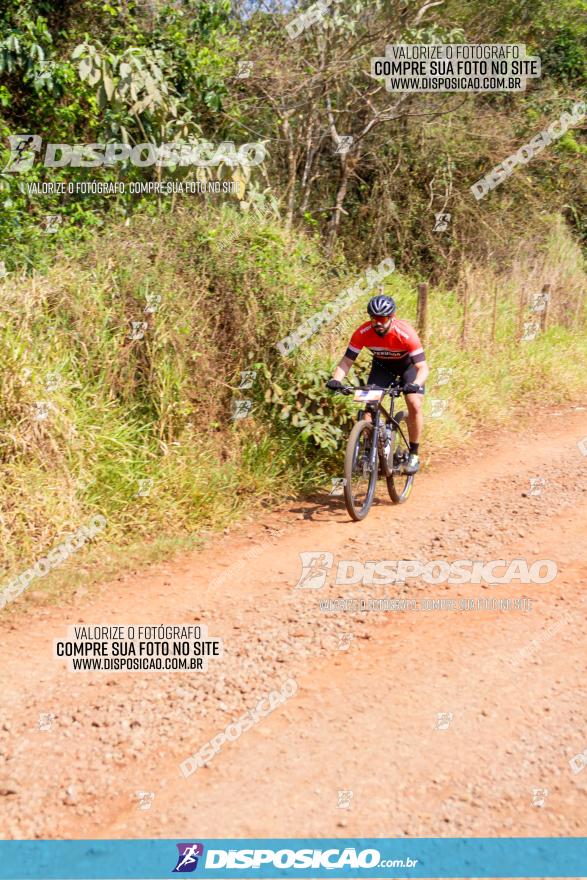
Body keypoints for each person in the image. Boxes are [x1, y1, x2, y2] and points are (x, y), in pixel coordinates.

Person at [326, 294, 428, 474]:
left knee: (413, 403)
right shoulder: (362, 333)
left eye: (382, 318)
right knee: (369, 409)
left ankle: (414, 454)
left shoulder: (406, 334)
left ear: (392, 317)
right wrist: (336, 380)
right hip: (382, 368)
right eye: (373, 318)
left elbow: (423, 368)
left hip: (408, 368)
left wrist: (416, 384)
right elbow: (346, 362)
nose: (377, 322)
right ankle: (368, 452)